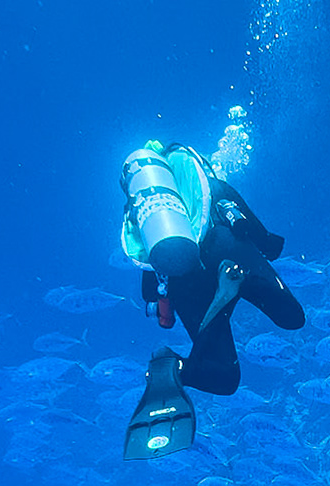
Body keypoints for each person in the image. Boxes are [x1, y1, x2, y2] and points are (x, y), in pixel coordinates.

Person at [117, 140, 305, 459]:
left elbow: (150, 291)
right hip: (234, 260)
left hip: (187, 283)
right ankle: (226, 292)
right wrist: (272, 244)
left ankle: (174, 367)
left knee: (225, 376)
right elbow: (265, 243)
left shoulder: (150, 224)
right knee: (293, 318)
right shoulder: (215, 187)